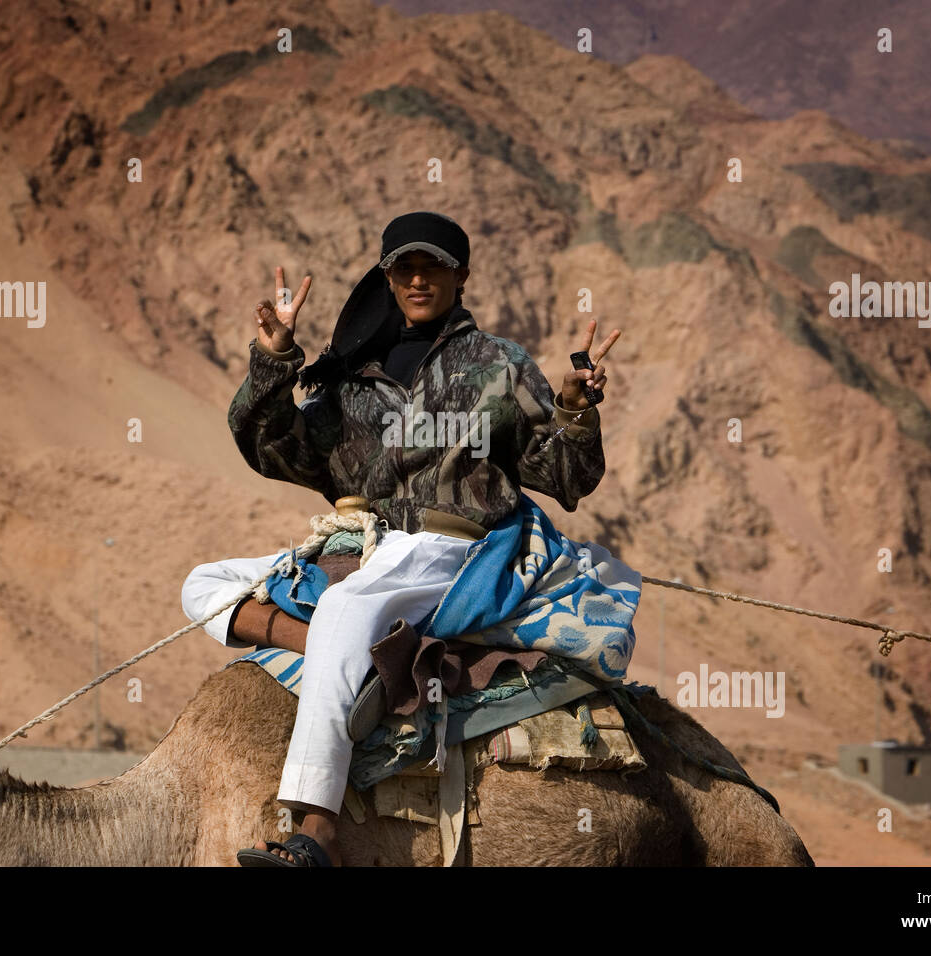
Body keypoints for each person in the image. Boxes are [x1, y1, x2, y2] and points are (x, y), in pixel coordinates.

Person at [181, 211, 621, 866]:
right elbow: (273, 447)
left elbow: (564, 478)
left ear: (460, 276)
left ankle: (316, 831)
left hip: (453, 550)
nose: (418, 279)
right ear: (387, 277)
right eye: (405, 268)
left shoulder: (499, 366)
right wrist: (274, 359)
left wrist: (573, 411)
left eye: (433, 267)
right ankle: (352, 659)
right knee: (202, 584)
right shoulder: (354, 381)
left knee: (347, 608)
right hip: (364, 551)